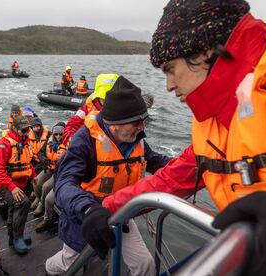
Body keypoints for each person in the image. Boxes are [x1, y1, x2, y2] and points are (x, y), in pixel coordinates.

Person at [84, 2, 266, 275]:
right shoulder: (212, 123)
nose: (168, 85)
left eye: (170, 69)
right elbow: (174, 177)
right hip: (251, 250)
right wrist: (107, 207)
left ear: (205, 50)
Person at [45, 76, 172, 275]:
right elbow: (64, 184)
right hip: (84, 218)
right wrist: (88, 210)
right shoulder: (84, 141)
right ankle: (48, 269)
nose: (142, 128)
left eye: (143, 121)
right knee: (67, 264)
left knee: (145, 264)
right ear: (115, 124)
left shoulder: (134, 138)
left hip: (121, 213)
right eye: (136, 122)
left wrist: (189, 165)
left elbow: (155, 160)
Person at [0, 115, 37, 254]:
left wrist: (33, 175)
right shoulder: (2, 145)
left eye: (27, 130)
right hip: (4, 183)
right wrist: (12, 187)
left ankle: (13, 237)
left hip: (21, 181)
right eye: (23, 130)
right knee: (22, 203)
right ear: (14, 128)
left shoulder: (25, 142)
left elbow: (27, 161)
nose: (26, 132)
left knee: (14, 208)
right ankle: (17, 238)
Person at [62, 73, 119, 146]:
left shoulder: (125, 110)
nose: (108, 102)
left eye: (112, 98)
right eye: (104, 98)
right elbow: (72, 125)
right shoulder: (87, 109)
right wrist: (71, 139)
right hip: (93, 148)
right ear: (98, 97)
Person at [33, 123, 67, 229]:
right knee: (36, 181)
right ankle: (38, 198)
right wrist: (44, 159)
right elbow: (40, 153)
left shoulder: (68, 145)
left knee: (46, 187)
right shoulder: (50, 141)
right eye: (56, 134)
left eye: (60, 134)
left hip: (59, 172)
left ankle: (42, 204)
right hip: (49, 167)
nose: (58, 137)